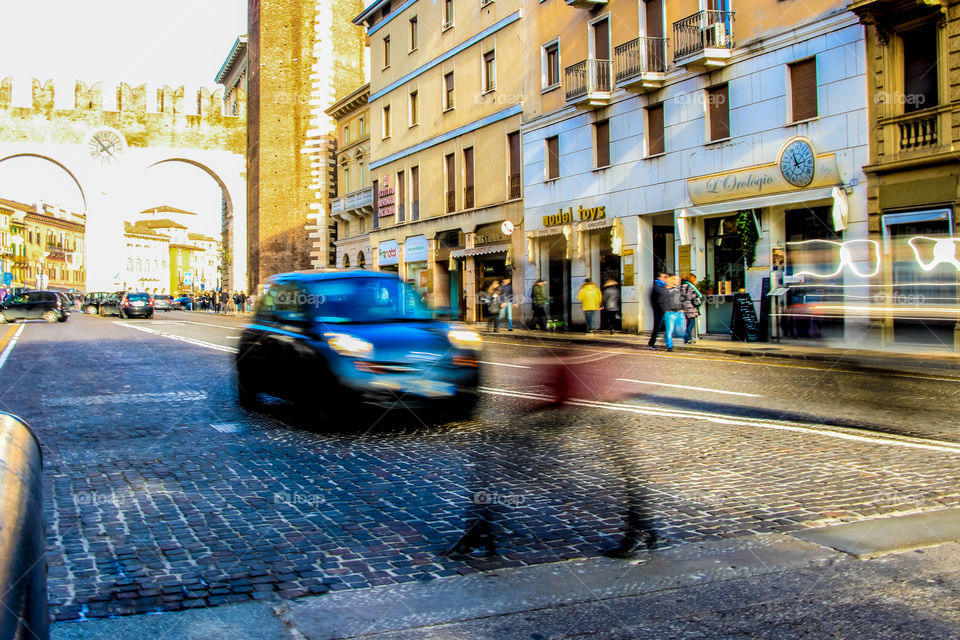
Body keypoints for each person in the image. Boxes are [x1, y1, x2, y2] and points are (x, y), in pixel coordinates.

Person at [647, 272, 670, 349]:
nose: (666, 278)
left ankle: (668, 343)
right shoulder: (656, 286)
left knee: (667, 327)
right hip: (659, 310)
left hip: (666, 310)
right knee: (657, 327)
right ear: (659, 278)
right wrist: (657, 307)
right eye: (664, 277)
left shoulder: (665, 286)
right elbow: (652, 299)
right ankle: (651, 343)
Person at [662, 275, 685, 352]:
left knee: (682, 330)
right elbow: (664, 301)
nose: (677, 281)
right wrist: (666, 309)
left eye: (678, 280)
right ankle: (669, 346)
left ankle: (666, 338)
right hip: (670, 313)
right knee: (670, 330)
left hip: (679, 312)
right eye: (675, 280)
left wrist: (683, 308)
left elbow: (682, 299)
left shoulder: (679, 289)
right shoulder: (666, 289)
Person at [680, 273, 703, 344]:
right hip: (690, 307)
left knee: (689, 323)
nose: (695, 281)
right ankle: (687, 338)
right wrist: (695, 294)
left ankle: (688, 338)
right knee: (691, 322)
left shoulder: (682, 285)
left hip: (685, 306)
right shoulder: (690, 286)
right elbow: (689, 297)